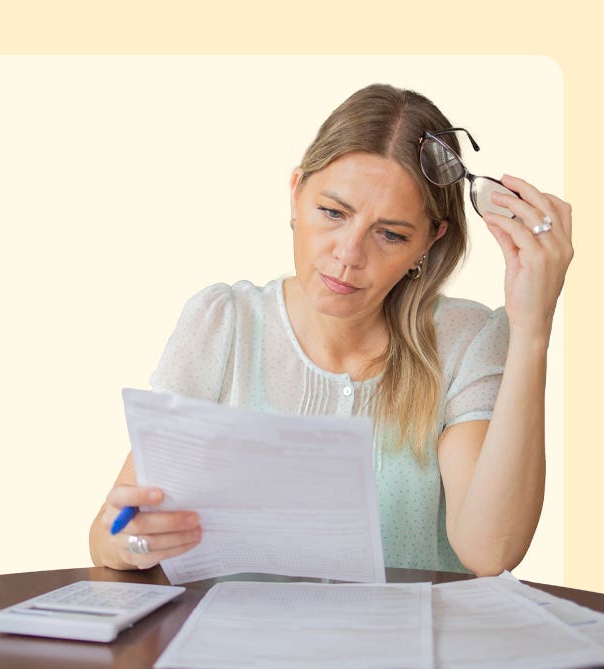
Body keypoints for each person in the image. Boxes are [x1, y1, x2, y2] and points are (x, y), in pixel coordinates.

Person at [88, 83, 573, 576]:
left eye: (390, 234)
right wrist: (128, 542)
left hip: (403, 630)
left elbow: (490, 552)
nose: (348, 254)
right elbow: (109, 537)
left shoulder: (464, 340)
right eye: (333, 213)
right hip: (237, 628)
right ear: (296, 193)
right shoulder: (223, 324)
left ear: (430, 241)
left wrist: (533, 327)